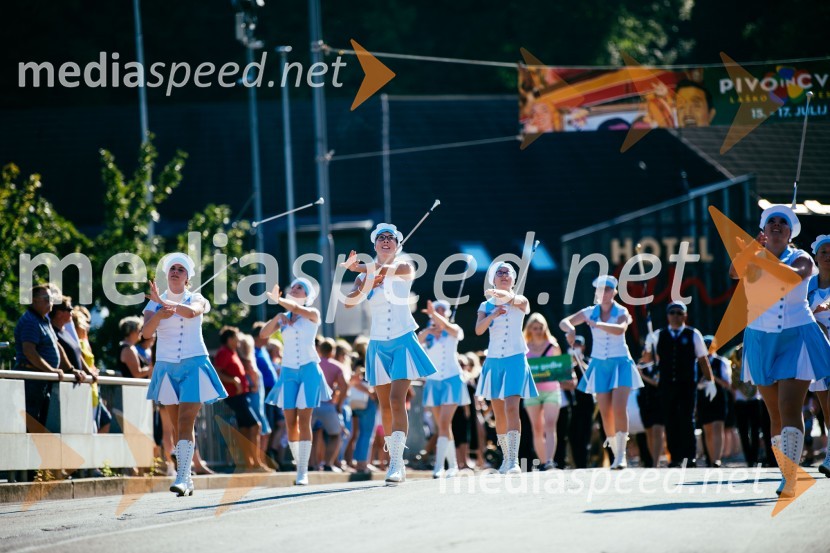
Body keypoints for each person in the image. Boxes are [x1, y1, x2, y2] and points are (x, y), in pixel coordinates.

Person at [731, 208, 830, 496]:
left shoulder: (801, 258)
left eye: (782, 222)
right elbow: (734, 272)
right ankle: (786, 470)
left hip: (796, 337)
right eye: (771, 221)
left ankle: (791, 476)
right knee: (773, 411)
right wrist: (753, 250)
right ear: (764, 229)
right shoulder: (754, 256)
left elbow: (796, 276)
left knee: (789, 407)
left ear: (790, 232)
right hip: (760, 338)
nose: (776, 225)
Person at [342, 223, 437, 483]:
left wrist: (364, 269)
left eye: (391, 238)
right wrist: (365, 280)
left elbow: (390, 270)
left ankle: (397, 462)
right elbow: (349, 303)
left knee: (397, 400)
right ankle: (393, 458)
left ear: (397, 244)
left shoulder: (405, 265)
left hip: (402, 340)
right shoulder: (366, 276)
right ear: (374, 245)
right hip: (377, 344)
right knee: (384, 404)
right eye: (381, 238)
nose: (386, 241)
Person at [143, 253, 228, 496]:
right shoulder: (153, 303)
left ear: (188, 277)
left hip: (194, 364)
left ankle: (182, 475)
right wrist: (159, 311)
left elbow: (192, 313)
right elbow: (146, 334)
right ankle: (187, 477)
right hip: (167, 366)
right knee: (174, 426)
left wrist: (165, 303)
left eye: (181, 269)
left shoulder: (197, 298)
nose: (176, 271)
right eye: (172, 268)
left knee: (185, 421)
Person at [560, 275, 644, 469]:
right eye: (600, 289)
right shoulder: (589, 311)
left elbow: (620, 329)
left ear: (614, 292)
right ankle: (616, 454)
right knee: (605, 412)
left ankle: (621, 454)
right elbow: (565, 321)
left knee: (618, 407)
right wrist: (571, 329)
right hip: (600, 364)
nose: (603, 293)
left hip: (621, 362)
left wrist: (597, 324)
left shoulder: (621, 311)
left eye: (607, 289)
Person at [261, 278, 331, 486]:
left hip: (309, 369)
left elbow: (294, 307)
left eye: (299, 287)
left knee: (304, 419)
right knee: (290, 422)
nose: (294, 289)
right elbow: (264, 334)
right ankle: (298, 461)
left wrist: (281, 302)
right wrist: (278, 317)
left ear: (307, 295)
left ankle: (302, 470)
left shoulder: (313, 314)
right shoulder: (285, 315)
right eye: (293, 287)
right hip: (288, 371)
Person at [475, 261, 538, 475]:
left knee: (512, 406)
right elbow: (478, 330)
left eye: (507, 273)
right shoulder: (485, 306)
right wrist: (493, 314)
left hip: (515, 359)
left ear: (513, 279)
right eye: (499, 273)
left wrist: (502, 296)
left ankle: (513, 460)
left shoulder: (520, 300)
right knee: (498, 411)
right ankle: (505, 458)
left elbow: (518, 301)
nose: (503, 276)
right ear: (493, 279)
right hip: (494, 360)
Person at [640, 301, 716, 467]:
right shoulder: (658, 335)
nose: (676, 316)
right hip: (666, 385)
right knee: (670, 419)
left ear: (685, 315)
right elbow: (647, 360)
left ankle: (689, 457)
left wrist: (710, 381)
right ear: (667, 315)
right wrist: (648, 346)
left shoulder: (693, 334)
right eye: (672, 312)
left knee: (687, 419)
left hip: (687, 384)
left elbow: (703, 359)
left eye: (679, 313)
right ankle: (674, 457)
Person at [418, 299, 470, 478]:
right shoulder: (428, 334)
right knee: (443, 426)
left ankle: (439, 466)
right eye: (436, 310)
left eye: (442, 310)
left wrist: (435, 316)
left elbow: (453, 330)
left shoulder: (454, 331)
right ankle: (453, 465)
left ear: (447, 314)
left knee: (445, 423)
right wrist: (429, 327)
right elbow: (417, 342)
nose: (439, 312)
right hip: (433, 381)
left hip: (452, 380)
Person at [523, 312, 570, 470]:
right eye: (534, 328)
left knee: (550, 425)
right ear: (529, 329)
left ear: (545, 328)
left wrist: (567, 378)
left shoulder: (553, 346)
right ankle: (543, 462)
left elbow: (560, 369)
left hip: (551, 389)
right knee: (536, 428)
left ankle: (550, 460)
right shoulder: (524, 347)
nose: (537, 330)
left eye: (540, 327)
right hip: (532, 392)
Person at [806, 234, 830, 476]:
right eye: (824, 252)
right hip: (818, 349)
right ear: (816, 256)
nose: (828, 256)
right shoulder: (807, 287)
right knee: (825, 404)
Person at [312, 337, 349, 472]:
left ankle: (310, 464)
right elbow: (344, 386)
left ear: (320, 349)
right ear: (332, 351)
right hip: (327, 405)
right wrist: (339, 404)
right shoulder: (337, 366)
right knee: (336, 434)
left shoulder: (312, 363)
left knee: (309, 434)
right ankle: (328, 463)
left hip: (311, 404)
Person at [72, 306, 110, 434]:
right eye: (85, 323)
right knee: (90, 430)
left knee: (96, 426)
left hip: (92, 390)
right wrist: (91, 371)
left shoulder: (84, 342)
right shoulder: (77, 343)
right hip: (85, 390)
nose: (87, 327)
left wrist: (93, 370)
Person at [697, 335, 732, 467]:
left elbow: (727, 384)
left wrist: (711, 376)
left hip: (718, 398)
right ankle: (711, 459)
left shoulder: (721, 362)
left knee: (718, 427)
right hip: (704, 399)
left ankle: (717, 459)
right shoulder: (697, 363)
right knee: (708, 430)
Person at [638, 332, 665, 467]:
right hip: (645, 403)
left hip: (658, 402)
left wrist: (642, 376)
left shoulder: (657, 366)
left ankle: (656, 461)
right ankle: (652, 459)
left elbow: (658, 382)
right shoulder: (642, 367)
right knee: (648, 431)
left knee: (657, 431)